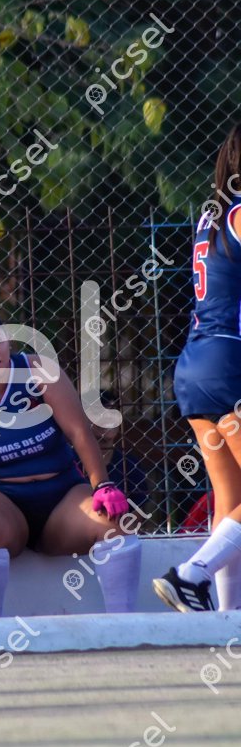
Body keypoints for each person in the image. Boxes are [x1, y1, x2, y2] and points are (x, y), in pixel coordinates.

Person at [0, 306, 140, 618]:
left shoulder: (38, 371)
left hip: (60, 496)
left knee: (116, 524)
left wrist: (102, 485)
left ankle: (125, 627)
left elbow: (79, 431)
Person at [154, 124, 241, 612]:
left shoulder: (213, 216)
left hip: (196, 365)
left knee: (229, 499)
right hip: (229, 363)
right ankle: (191, 574)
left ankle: (227, 620)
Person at [85, 390, 149, 509]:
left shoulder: (129, 464)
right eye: (98, 413)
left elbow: (139, 508)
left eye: (112, 412)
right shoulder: (72, 462)